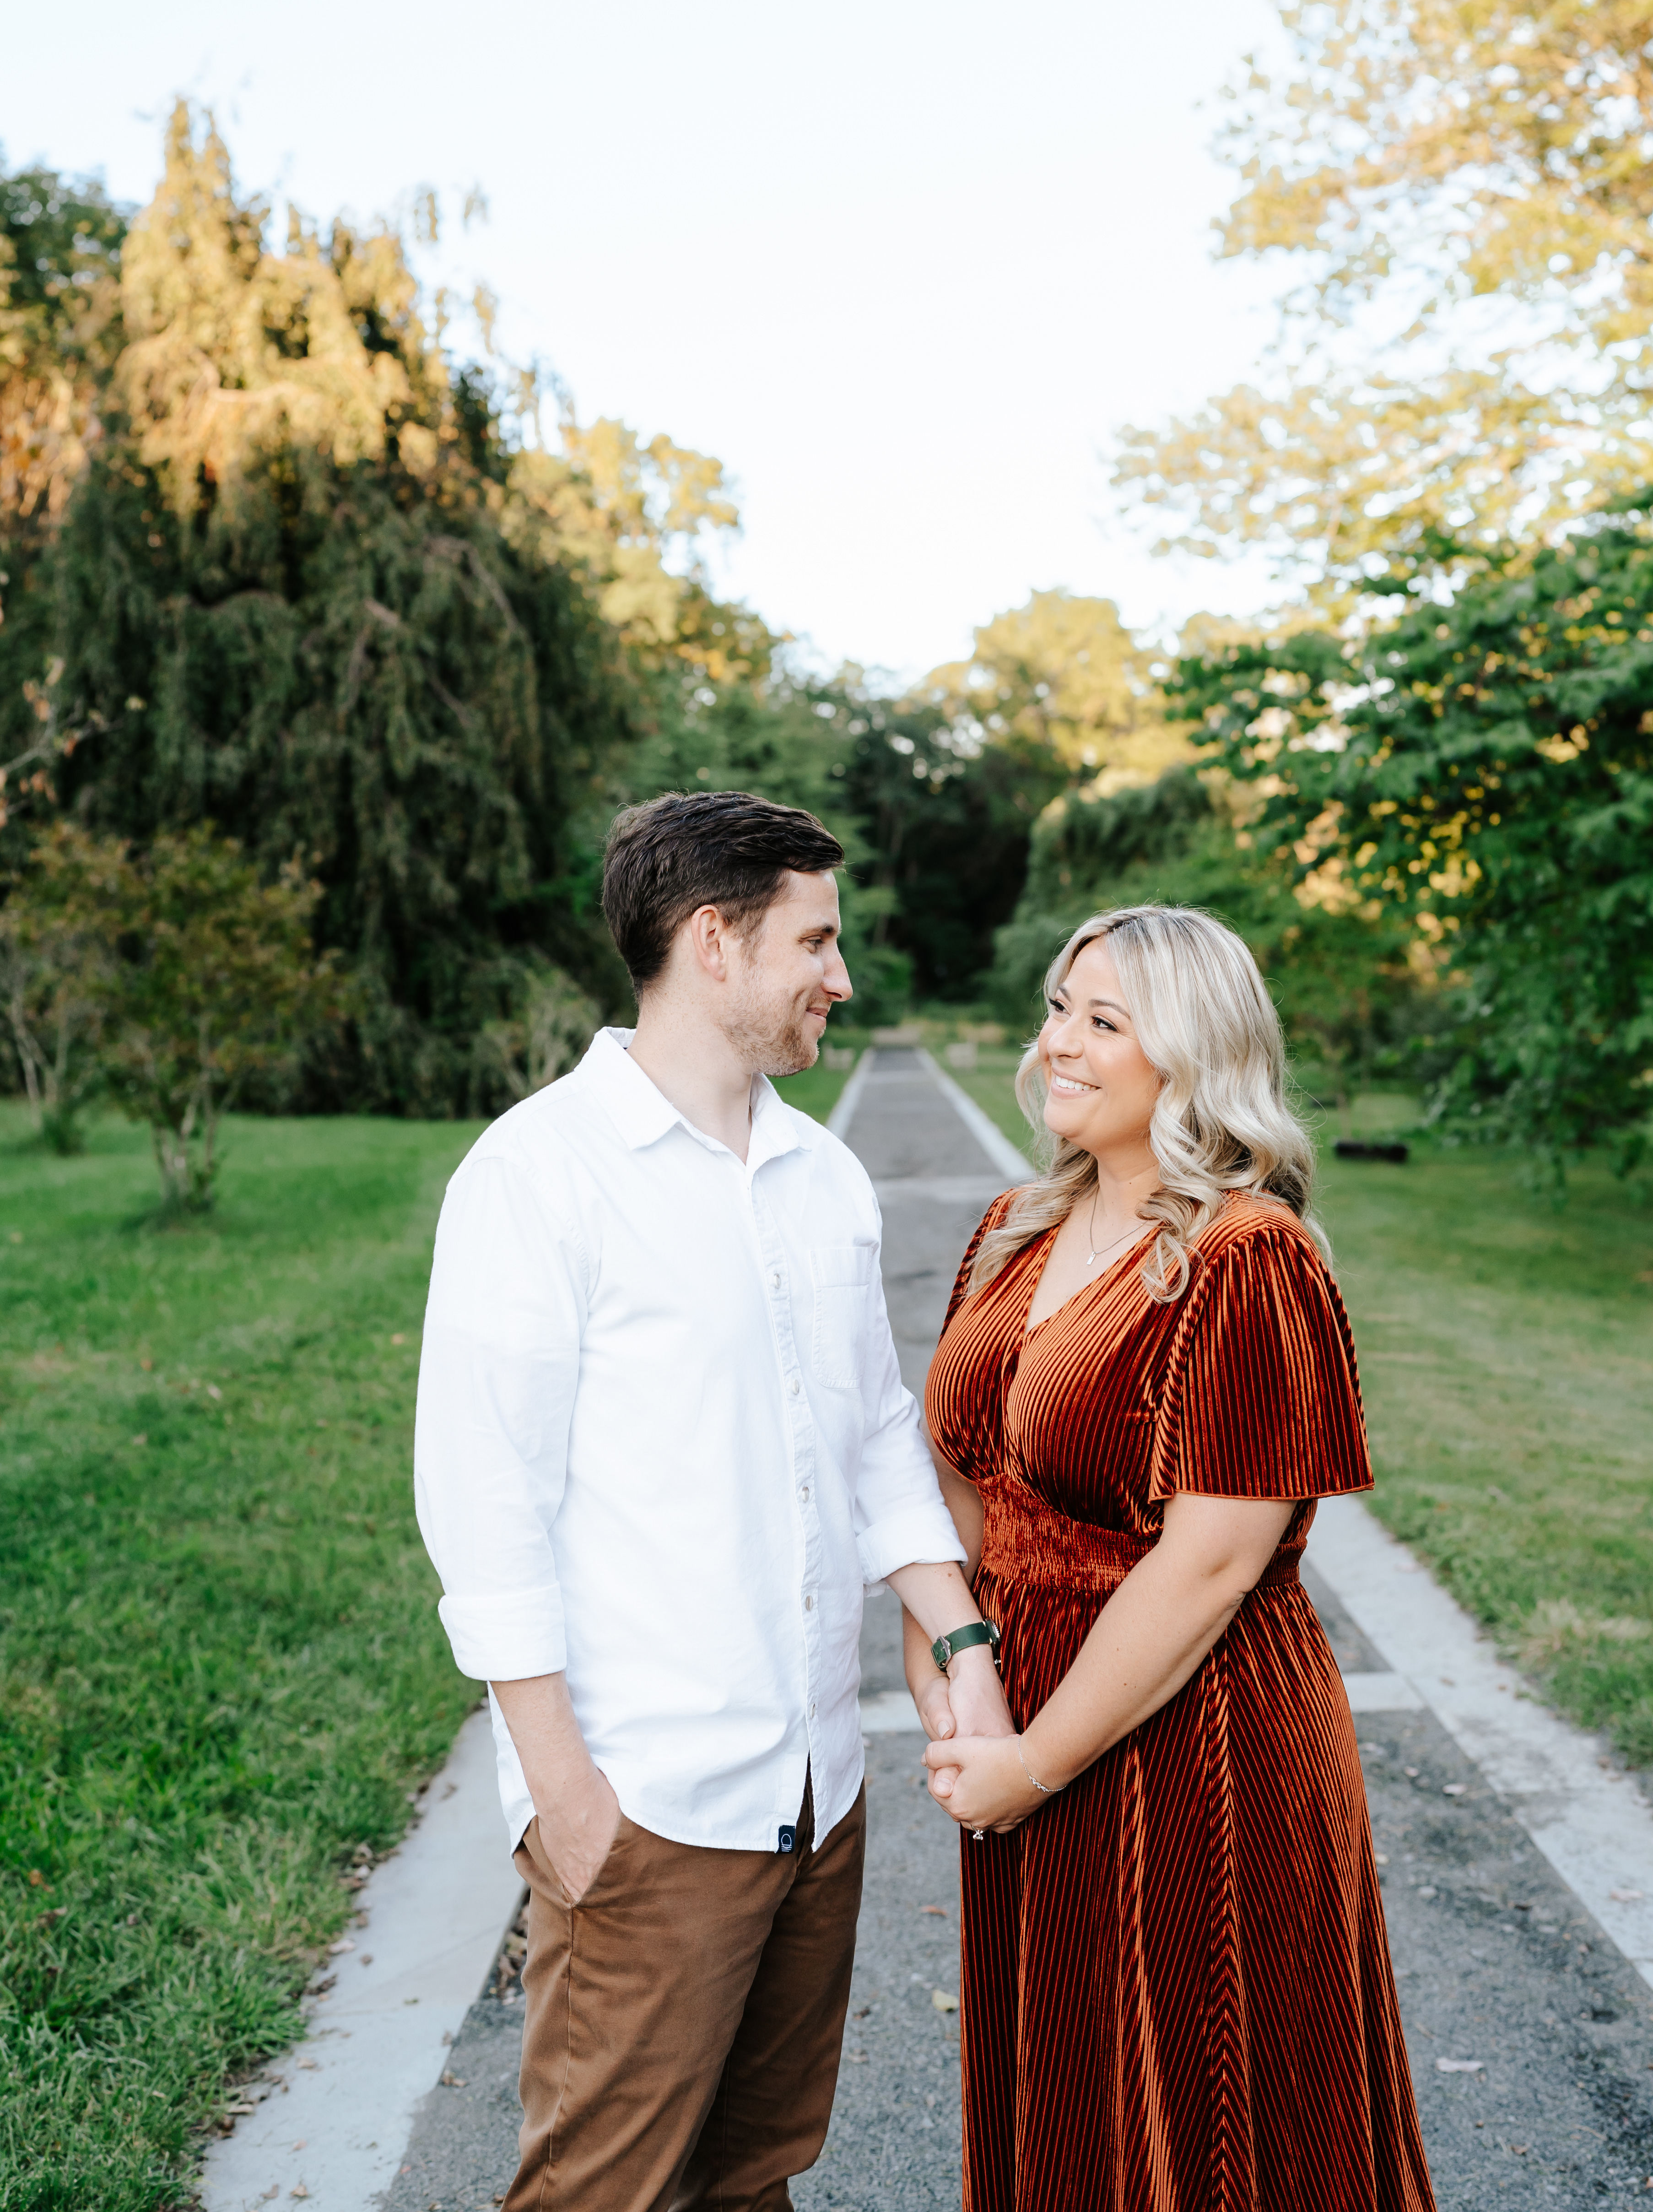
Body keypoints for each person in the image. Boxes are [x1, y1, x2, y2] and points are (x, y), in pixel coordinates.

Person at [413, 789, 1010, 2212]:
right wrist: (564, 1793)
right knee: (605, 2193)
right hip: (651, 1802)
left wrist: (960, 1640)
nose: (841, 979)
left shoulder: (824, 1175)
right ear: (715, 941)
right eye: (816, 941)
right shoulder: (538, 1176)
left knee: (755, 2176)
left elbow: (874, 1436)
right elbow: (481, 1499)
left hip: (820, 1786)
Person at [918, 902, 1438, 2212]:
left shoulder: (1247, 1260)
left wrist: (1033, 1765)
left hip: (1194, 1740)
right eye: (1057, 1011)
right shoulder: (1014, 1229)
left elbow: (1211, 1566)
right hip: (1027, 1713)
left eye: (1106, 1021)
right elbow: (963, 1478)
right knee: (1072, 2104)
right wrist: (961, 1674)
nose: (1058, 1047)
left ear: (1195, 1056)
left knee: (1206, 2117)